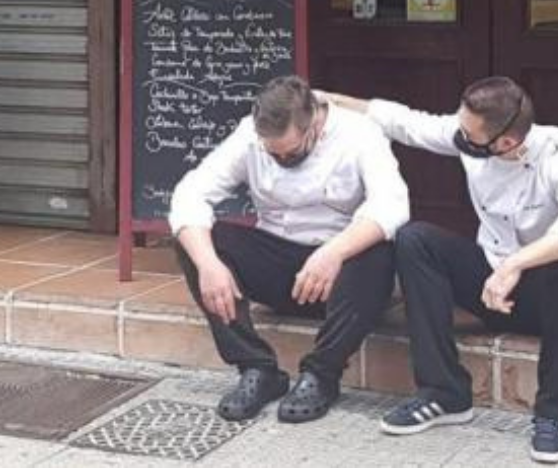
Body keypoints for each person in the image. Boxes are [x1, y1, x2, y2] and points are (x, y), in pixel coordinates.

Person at [325, 77, 558, 463]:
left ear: (506, 143)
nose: (458, 136)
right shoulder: (472, 138)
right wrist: (328, 99)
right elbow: (405, 122)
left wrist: (516, 263)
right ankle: (443, 393)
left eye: (467, 133)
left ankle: (551, 417)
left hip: (551, 301)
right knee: (414, 239)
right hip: (491, 286)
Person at [170, 75, 409, 424]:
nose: (282, 158)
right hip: (281, 268)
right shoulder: (248, 135)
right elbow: (190, 194)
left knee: (379, 251)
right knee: (197, 240)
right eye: (273, 153)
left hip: (341, 280)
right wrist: (208, 264)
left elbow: (393, 205)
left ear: (314, 123)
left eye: (292, 151)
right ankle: (256, 368)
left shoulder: (360, 133)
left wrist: (334, 253)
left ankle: (322, 375)